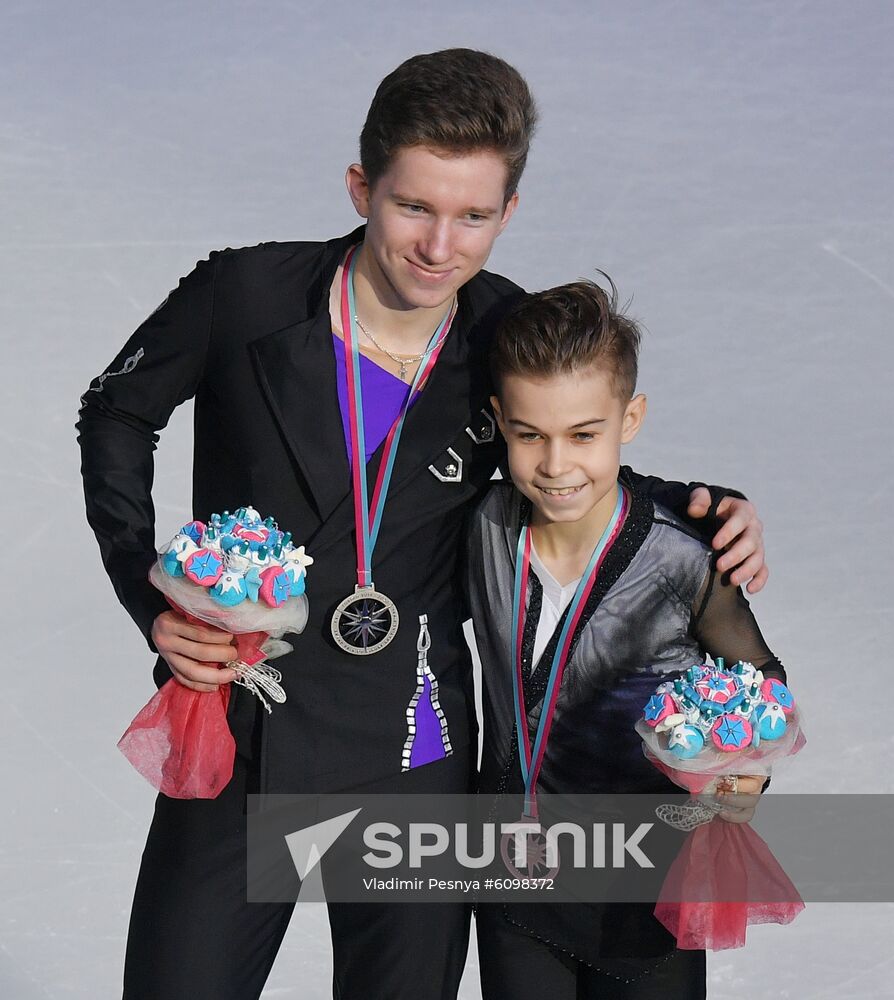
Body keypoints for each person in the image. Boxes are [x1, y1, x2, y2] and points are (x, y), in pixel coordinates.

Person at [77, 49, 768, 1000]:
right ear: (362, 186)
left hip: (418, 751)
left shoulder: (502, 331)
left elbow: (568, 455)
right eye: (413, 207)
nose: (440, 247)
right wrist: (144, 589)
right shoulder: (243, 296)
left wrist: (706, 505)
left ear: (508, 212)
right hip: (246, 726)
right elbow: (115, 413)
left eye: (473, 216)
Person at [467, 278, 786, 1000]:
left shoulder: (683, 557)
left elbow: (761, 678)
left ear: (628, 418)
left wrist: (744, 772)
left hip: (646, 883)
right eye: (528, 435)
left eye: (583, 434)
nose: (554, 465)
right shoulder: (481, 528)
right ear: (499, 421)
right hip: (514, 879)